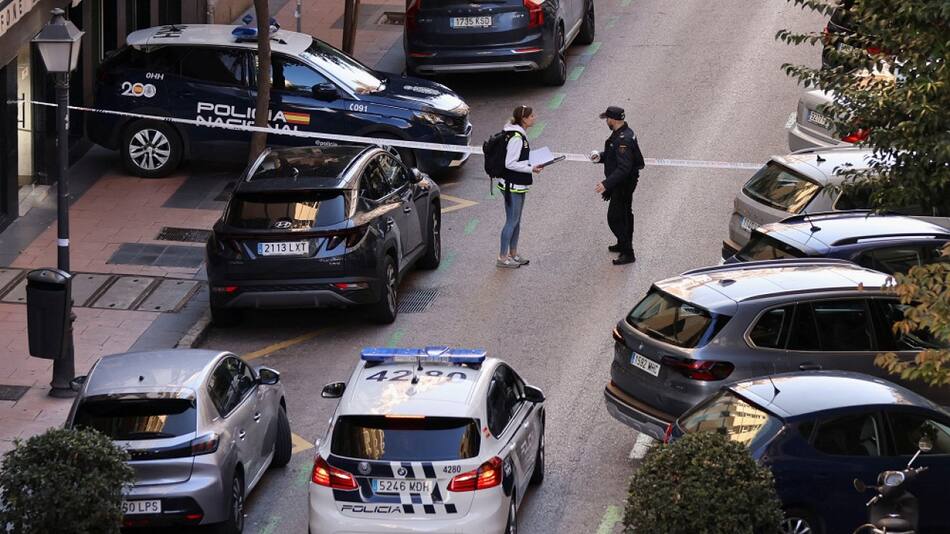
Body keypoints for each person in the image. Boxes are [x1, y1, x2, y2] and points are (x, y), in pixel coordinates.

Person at [591, 106, 645, 265]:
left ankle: (628, 252)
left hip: (624, 183)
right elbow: (614, 157)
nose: (606, 121)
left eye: (607, 118)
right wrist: (600, 157)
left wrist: (606, 184)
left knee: (615, 218)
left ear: (613, 119)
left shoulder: (623, 139)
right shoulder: (622, 134)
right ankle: (623, 244)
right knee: (625, 214)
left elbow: (624, 168)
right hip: (622, 182)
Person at [496, 105, 543, 269]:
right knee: (511, 221)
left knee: (516, 221)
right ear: (523, 119)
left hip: (519, 184)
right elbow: (510, 163)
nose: (534, 118)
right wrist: (531, 168)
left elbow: (519, 159)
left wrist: (532, 163)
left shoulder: (518, 135)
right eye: (531, 116)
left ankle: (513, 253)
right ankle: (502, 257)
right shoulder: (516, 138)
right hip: (512, 185)